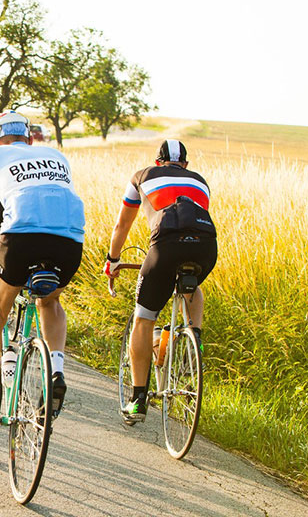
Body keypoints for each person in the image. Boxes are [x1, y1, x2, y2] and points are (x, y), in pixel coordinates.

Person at [0, 111, 85, 430]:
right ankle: (56, 369)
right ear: (30, 139)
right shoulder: (55, 155)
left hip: (22, 236)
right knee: (50, 302)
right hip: (70, 239)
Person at [104, 139, 217, 423]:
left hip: (165, 247)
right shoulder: (200, 181)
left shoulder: (141, 176)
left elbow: (122, 225)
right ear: (186, 165)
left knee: (144, 317)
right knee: (192, 284)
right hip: (206, 247)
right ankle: (195, 341)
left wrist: (113, 259)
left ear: (158, 162)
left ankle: (138, 399)